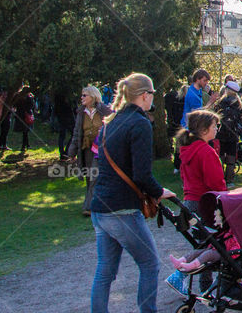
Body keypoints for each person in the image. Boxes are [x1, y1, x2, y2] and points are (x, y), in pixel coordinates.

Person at [90, 73, 176, 313]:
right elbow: (141, 174)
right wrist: (160, 192)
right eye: (151, 96)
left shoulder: (112, 120)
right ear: (144, 95)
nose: (152, 101)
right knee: (150, 264)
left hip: (101, 206)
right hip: (122, 209)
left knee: (105, 271)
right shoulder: (140, 123)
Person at [67, 86, 113, 215]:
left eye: (84, 95)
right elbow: (76, 133)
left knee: (94, 176)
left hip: (101, 150)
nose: (81, 98)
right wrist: (71, 152)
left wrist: (104, 131)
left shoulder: (105, 110)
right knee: (89, 177)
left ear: (93, 96)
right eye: (82, 95)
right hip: (86, 149)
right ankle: (97, 203)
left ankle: (88, 207)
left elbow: (114, 126)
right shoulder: (81, 113)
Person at [177, 110, 226, 214]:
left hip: (189, 200)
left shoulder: (188, 149)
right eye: (214, 126)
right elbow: (214, 180)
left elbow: (183, 175)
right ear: (204, 130)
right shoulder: (206, 152)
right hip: (204, 201)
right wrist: (224, 196)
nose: (216, 129)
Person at [213, 81, 242, 186]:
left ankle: (219, 177)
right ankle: (229, 179)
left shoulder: (221, 102)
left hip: (221, 132)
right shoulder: (238, 104)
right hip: (233, 133)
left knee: (220, 155)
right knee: (231, 156)